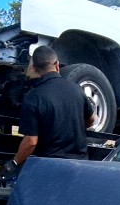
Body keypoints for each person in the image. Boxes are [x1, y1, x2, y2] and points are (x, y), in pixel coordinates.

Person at [5, 45, 92, 173]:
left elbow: (31, 141)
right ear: (57, 65)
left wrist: (14, 162)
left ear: (34, 69)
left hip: (52, 167)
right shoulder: (77, 89)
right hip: (80, 165)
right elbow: (92, 119)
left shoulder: (33, 97)